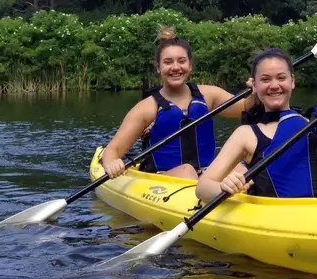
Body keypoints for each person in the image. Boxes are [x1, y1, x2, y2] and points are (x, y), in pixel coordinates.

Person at [195, 48, 317, 201]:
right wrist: (224, 187)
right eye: (265, 79)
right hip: (282, 220)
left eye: (281, 78)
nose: (274, 85)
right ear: (254, 86)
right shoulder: (247, 134)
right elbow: (203, 187)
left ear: (292, 82)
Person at [99, 26, 255, 180]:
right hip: (163, 179)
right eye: (168, 62)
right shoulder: (146, 108)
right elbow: (112, 150)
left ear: (190, 65)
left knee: (239, 168)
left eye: (182, 61)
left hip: (206, 174)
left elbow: (246, 108)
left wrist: (257, 91)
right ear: (158, 68)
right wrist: (112, 163)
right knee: (187, 171)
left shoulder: (209, 95)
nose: (175, 67)